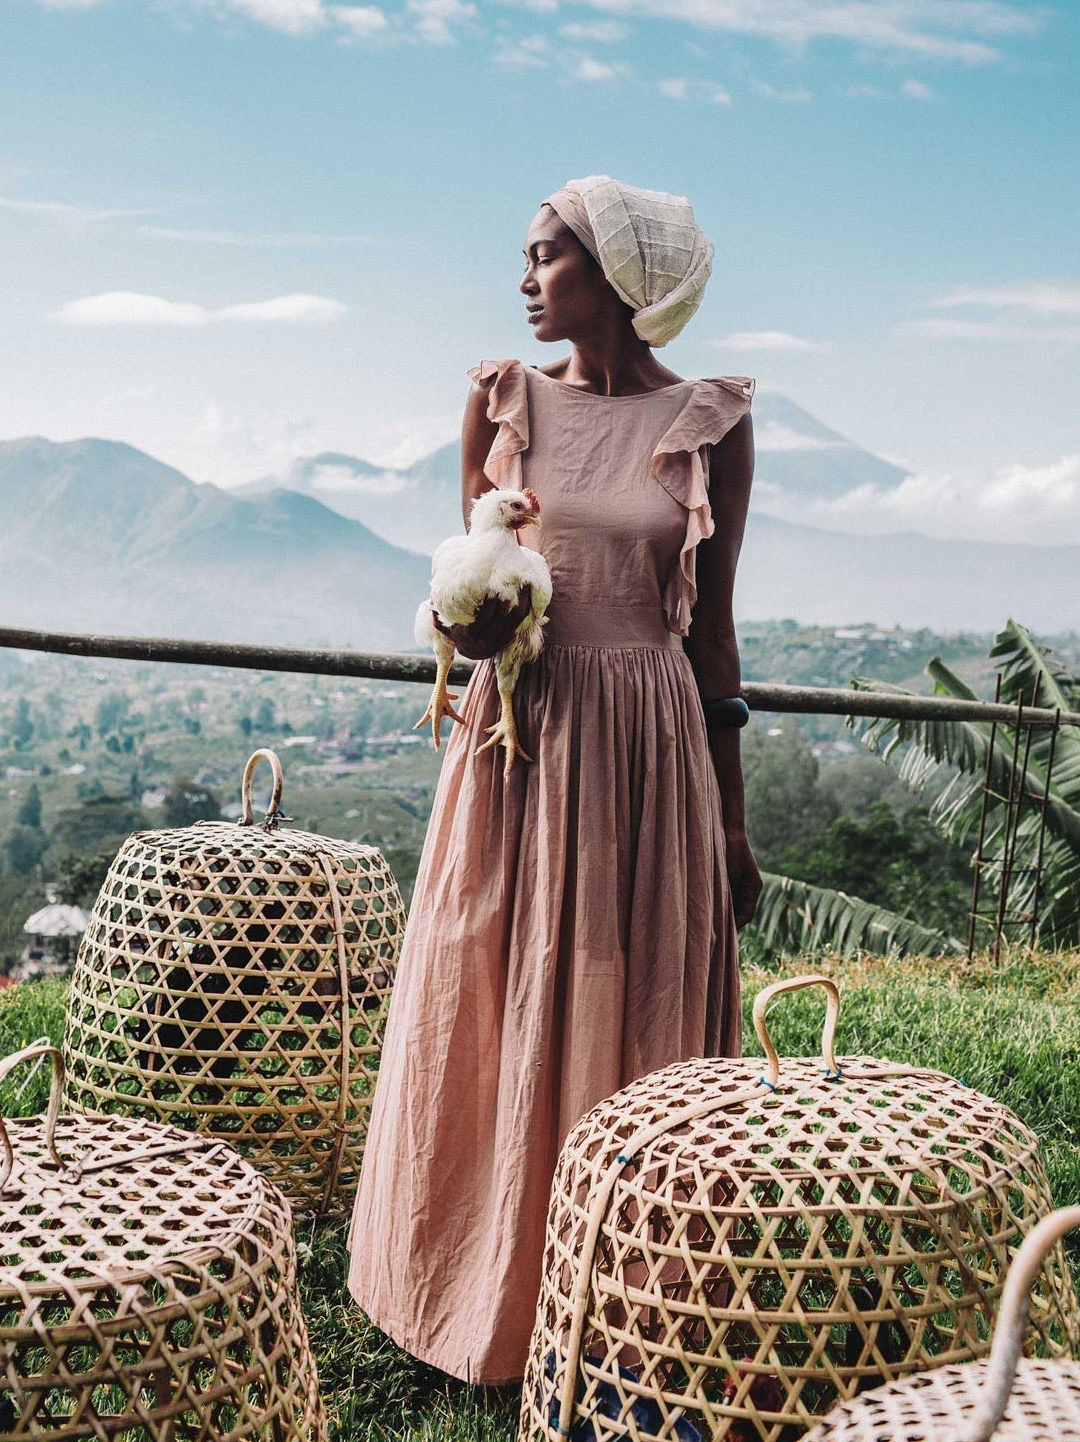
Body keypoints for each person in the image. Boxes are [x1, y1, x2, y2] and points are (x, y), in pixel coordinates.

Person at [348, 174, 760, 1386]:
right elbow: (467, 585)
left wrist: (733, 814)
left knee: (637, 994)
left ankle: (632, 1285)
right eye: (525, 259)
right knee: (493, 982)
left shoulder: (710, 421)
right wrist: (471, 620)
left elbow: (716, 625)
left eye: (544, 257)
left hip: (650, 742)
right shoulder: (499, 400)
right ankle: (479, 1278)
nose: (525, 281)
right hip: (520, 736)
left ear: (617, 275)